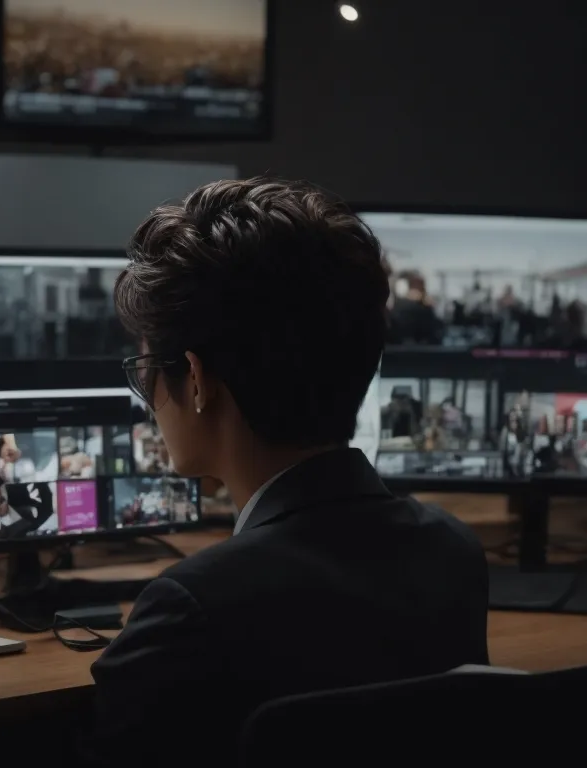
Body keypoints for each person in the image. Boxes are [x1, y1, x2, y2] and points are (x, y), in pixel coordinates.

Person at [91, 178, 487, 765]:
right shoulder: (453, 552)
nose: (148, 395)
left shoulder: (189, 608)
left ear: (196, 381)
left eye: (147, 367)